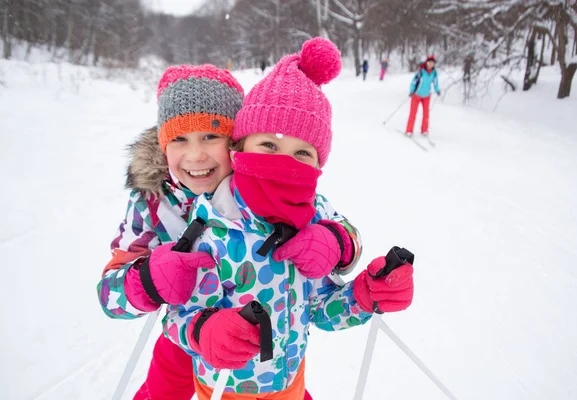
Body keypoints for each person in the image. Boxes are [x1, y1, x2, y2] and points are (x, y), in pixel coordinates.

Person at [161, 37, 414, 399]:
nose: (283, 162)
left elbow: (320, 309)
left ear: (317, 163)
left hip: (290, 381)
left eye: (301, 153)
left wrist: (365, 293)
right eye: (269, 146)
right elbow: (176, 318)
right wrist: (205, 331)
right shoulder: (212, 227)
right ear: (240, 148)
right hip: (226, 388)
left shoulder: (315, 212)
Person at [97, 64, 245, 400]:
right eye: (179, 139)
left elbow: (327, 228)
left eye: (210, 135)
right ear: (164, 144)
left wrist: (341, 244)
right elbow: (108, 294)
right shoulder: (154, 201)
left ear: (235, 140)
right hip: (183, 339)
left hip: (258, 344)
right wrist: (145, 280)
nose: (195, 155)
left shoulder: (259, 189)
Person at [405, 55, 441, 137]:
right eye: (429, 62)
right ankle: (409, 130)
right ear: (427, 62)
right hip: (416, 95)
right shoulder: (421, 71)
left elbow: (436, 83)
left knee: (426, 114)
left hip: (426, 96)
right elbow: (414, 82)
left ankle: (424, 130)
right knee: (413, 113)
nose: (431, 64)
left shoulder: (434, 73)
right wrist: (412, 91)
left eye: (433, 63)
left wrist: (437, 90)